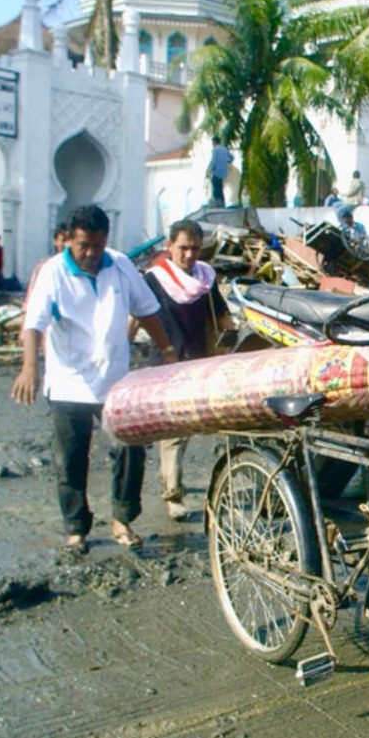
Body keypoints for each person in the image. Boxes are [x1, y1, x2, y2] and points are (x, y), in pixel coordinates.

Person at [11, 205, 176, 553]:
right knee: (70, 458)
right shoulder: (53, 272)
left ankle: (122, 518)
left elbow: (146, 311)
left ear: (106, 240)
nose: (90, 254)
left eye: (97, 246)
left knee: (130, 450)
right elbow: (34, 324)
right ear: (70, 239)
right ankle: (76, 528)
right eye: (83, 245)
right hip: (67, 381)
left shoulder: (119, 265)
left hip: (114, 380)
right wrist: (29, 368)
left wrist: (168, 350)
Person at [142, 218, 227, 519]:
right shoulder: (155, 280)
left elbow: (220, 315)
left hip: (199, 359)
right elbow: (146, 317)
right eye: (182, 248)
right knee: (175, 430)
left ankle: (171, 478)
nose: (189, 255)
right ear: (169, 247)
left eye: (194, 249)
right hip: (168, 361)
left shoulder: (205, 278)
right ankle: (173, 494)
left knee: (201, 427)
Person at [207, 136, 234, 205]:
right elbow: (232, 157)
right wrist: (227, 162)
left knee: (216, 189)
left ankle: (218, 203)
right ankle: (222, 203)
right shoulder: (224, 149)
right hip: (223, 172)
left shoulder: (215, 150)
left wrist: (210, 170)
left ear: (215, 142)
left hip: (216, 172)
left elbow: (213, 161)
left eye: (212, 142)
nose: (212, 144)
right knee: (220, 188)